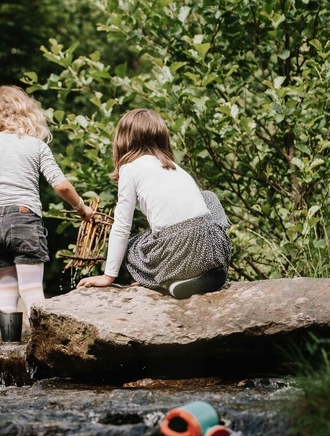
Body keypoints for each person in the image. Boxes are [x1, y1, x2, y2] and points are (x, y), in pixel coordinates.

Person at [0, 85, 93, 339]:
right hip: (24, 219)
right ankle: (44, 350)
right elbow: (61, 185)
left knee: (6, 290)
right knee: (32, 289)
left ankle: (9, 351)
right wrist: (82, 208)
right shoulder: (35, 146)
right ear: (24, 110)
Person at [77, 108, 231, 299]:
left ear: (123, 140)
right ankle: (206, 272)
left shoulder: (129, 169)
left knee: (131, 247)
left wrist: (108, 276)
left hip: (177, 252)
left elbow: (122, 226)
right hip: (211, 248)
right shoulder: (175, 168)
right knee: (208, 197)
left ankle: (163, 279)